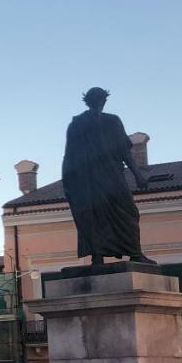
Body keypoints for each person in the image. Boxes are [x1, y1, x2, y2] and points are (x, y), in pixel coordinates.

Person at [62, 88, 154, 265]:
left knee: (118, 212)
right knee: (107, 214)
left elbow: (69, 156)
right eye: (99, 99)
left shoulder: (92, 123)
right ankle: (113, 254)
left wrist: (137, 174)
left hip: (99, 177)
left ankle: (122, 253)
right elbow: (124, 152)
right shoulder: (95, 122)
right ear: (100, 101)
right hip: (98, 177)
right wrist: (138, 175)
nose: (100, 102)